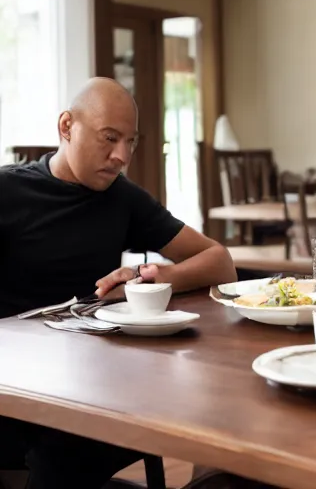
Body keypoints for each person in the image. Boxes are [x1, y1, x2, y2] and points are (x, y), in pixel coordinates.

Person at [0, 77, 237, 487]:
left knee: (213, 413)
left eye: (131, 142)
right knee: (60, 446)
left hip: (96, 388)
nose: (121, 156)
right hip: (15, 383)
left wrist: (160, 279)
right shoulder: (8, 191)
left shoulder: (121, 198)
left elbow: (220, 263)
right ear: (66, 127)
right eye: (109, 138)